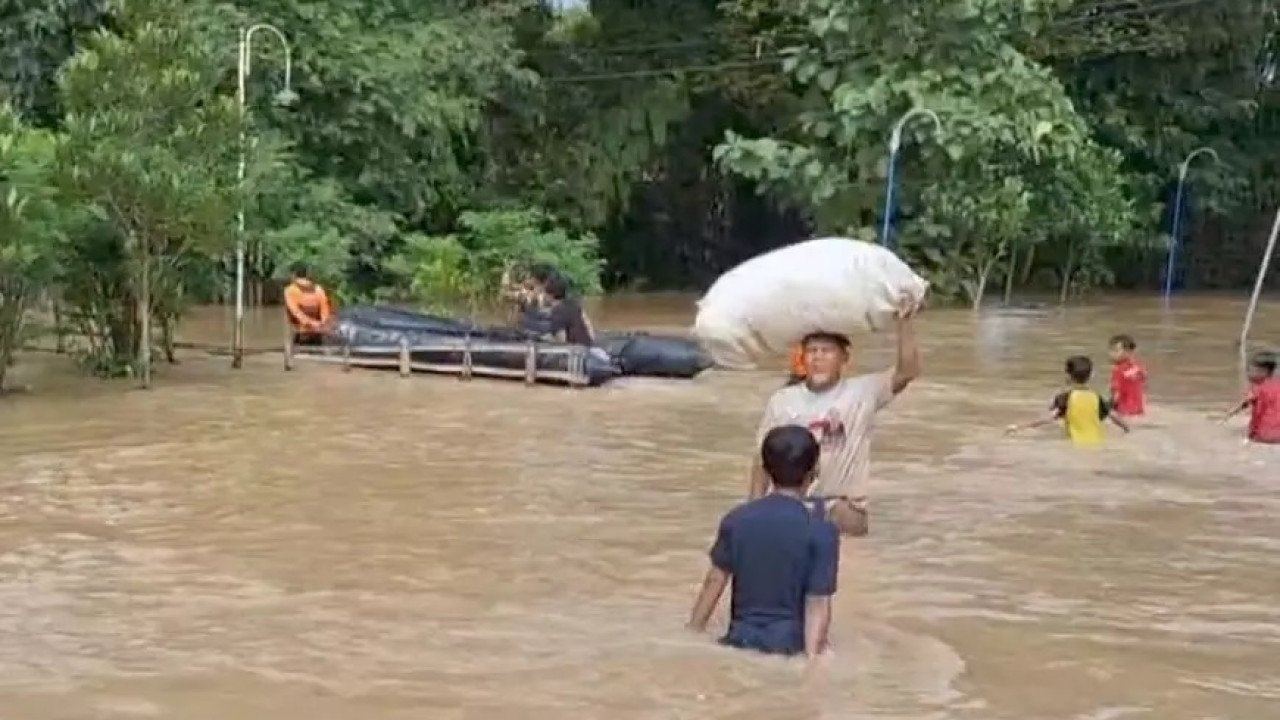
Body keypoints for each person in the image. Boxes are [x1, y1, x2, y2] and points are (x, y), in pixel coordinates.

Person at [748, 295, 922, 538]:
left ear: (844, 358)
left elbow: (907, 371)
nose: (818, 357)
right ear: (803, 358)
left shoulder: (863, 392)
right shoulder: (782, 400)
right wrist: (753, 513)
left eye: (827, 351)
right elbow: (761, 460)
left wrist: (904, 323)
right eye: (812, 351)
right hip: (793, 509)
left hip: (843, 510)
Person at [687, 425, 839, 658]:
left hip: (739, 641)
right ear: (814, 471)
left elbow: (714, 580)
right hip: (789, 648)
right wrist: (812, 662)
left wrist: (693, 631)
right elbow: (817, 602)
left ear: (766, 471)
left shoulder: (736, 520)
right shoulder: (821, 530)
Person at [1006, 355, 1131, 445]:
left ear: (1068, 375)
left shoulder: (1064, 398)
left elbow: (1047, 418)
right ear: (1091, 375)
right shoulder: (1096, 397)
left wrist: (1019, 427)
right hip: (1097, 443)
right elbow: (1114, 417)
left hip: (1075, 445)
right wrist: (1127, 430)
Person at [1218, 351, 1280, 444]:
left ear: (1264, 371)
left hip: (1262, 436)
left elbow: (1242, 404)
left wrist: (1225, 417)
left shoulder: (1258, 388)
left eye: (1251, 371)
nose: (1248, 374)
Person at [283, 263, 333, 346]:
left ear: (293, 275)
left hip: (302, 331)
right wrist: (321, 323)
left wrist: (310, 323)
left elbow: (295, 312)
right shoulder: (318, 289)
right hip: (319, 330)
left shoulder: (289, 290)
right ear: (307, 275)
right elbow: (325, 310)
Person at [544, 273, 596, 346]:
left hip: (575, 350)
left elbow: (562, 341)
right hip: (588, 346)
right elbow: (589, 329)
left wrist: (548, 340)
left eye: (544, 293)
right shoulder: (575, 305)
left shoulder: (556, 312)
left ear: (550, 295)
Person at [1108, 334, 1147, 417]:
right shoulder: (1138, 366)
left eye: (1116, 351)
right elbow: (1144, 380)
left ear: (1128, 352)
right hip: (1138, 410)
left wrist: (1107, 408)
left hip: (1123, 412)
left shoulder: (1117, 370)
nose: (1112, 354)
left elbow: (1115, 395)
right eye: (1111, 350)